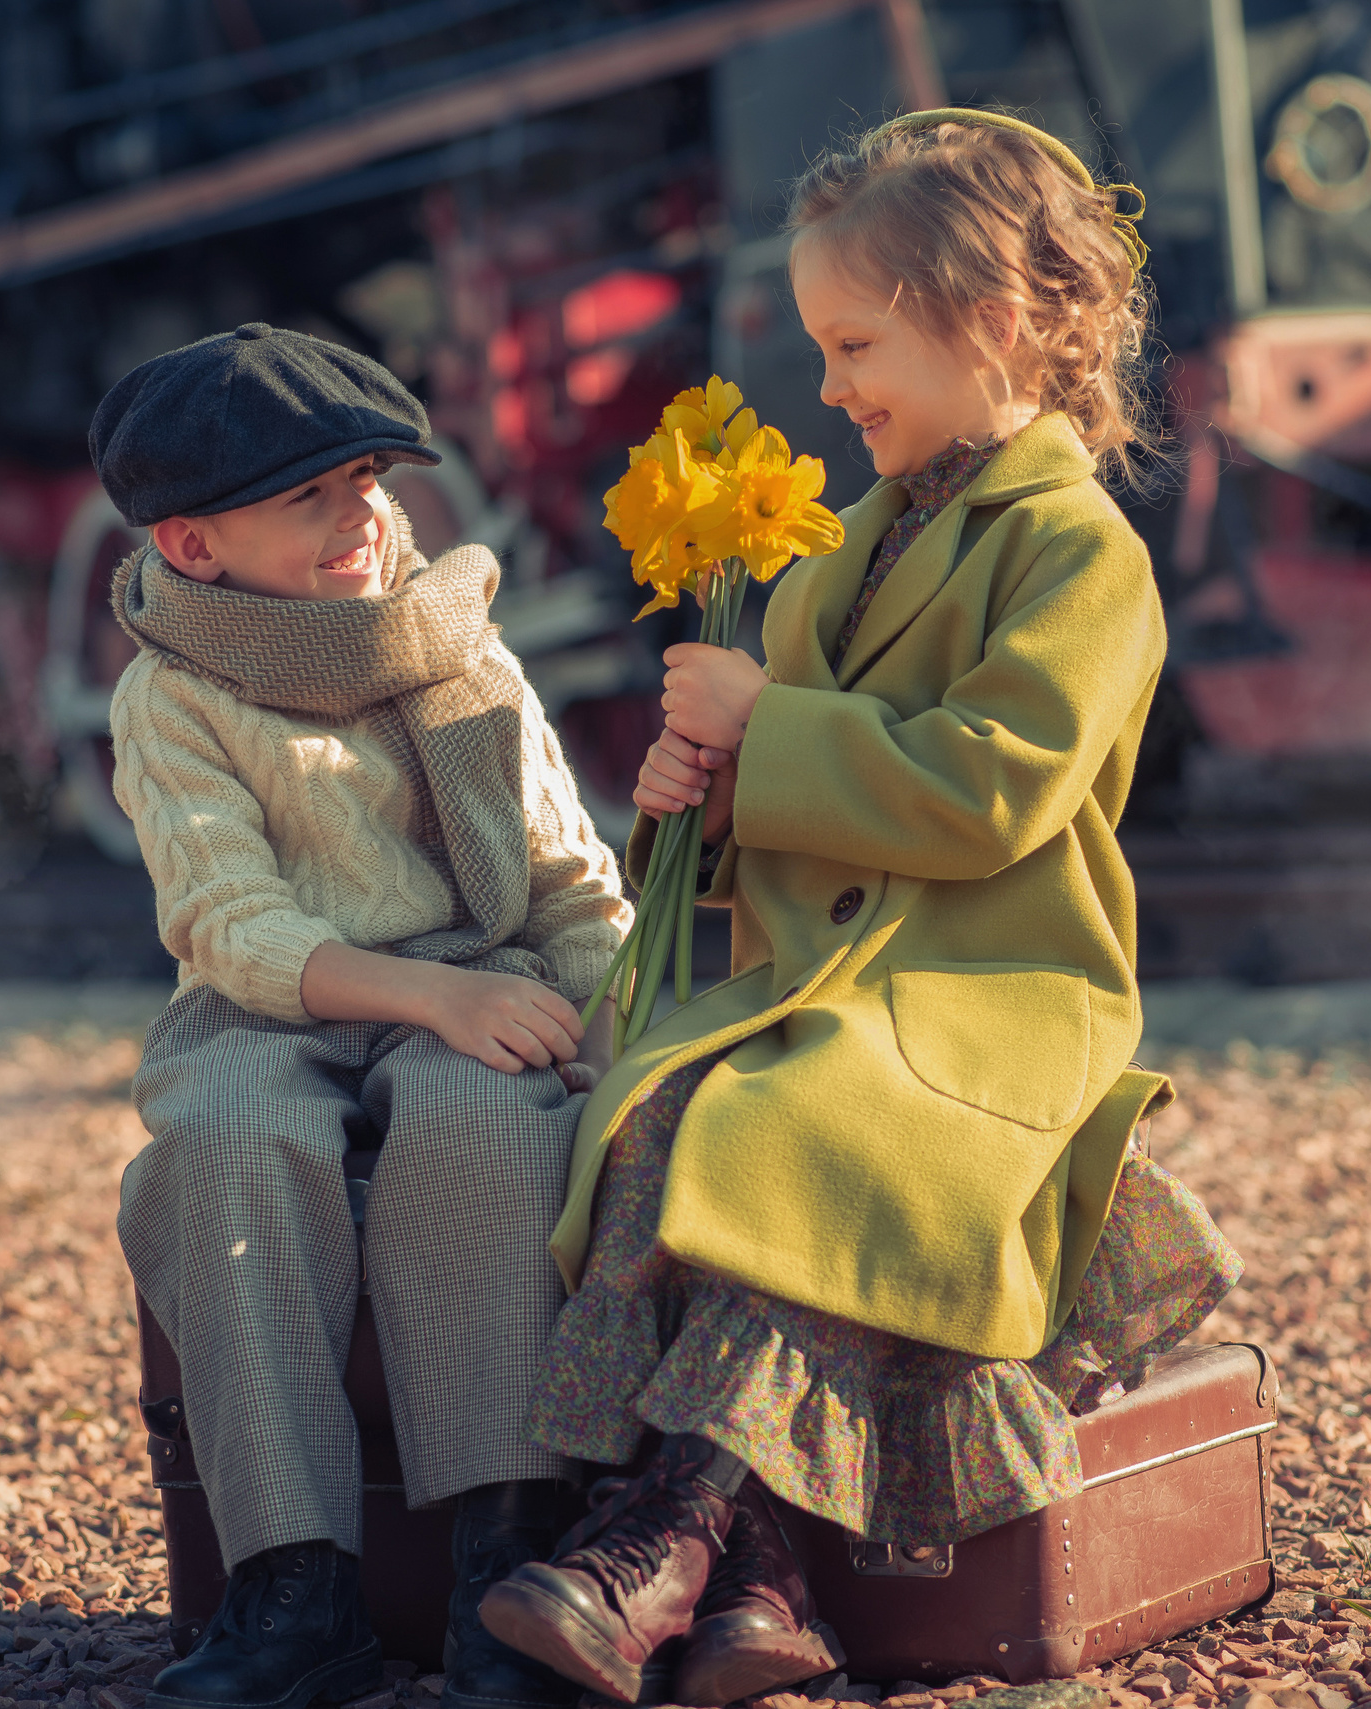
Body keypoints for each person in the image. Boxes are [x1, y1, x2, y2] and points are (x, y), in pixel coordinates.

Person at [479, 110, 1245, 1707]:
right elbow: (797, 823)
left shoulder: (1078, 554)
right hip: (844, 980)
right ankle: (760, 1596)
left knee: (797, 1131)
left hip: (995, 991)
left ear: (1002, 323)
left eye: (855, 344)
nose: (827, 388)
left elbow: (988, 788)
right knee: (654, 1112)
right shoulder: (834, 567)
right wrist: (707, 791)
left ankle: (661, 1547)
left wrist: (773, 731)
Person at [95, 324, 630, 1709]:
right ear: (197, 548)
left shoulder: (454, 647)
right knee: (228, 1148)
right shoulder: (174, 692)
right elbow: (234, 926)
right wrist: (426, 991)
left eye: (371, 478)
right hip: (274, 1009)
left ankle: (502, 1561)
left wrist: (620, 1040)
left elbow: (569, 885)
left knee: (480, 1120)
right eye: (310, 498)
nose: (363, 514)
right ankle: (290, 1583)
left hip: (474, 981)